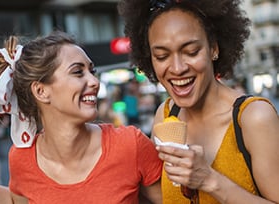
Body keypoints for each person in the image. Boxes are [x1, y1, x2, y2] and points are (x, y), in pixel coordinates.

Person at [0, 30, 163, 203]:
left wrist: (198, 176)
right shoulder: (21, 159)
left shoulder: (130, 144)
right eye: (77, 72)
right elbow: (19, 201)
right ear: (41, 91)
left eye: (91, 71)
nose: (94, 82)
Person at [118, 0, 279, 203]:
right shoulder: (165, 115)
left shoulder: (254, 117)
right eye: (161, 56)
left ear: (213, 48)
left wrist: (210, 180)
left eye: (191, 52)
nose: (177, 68)